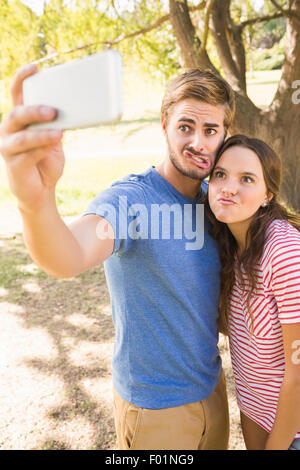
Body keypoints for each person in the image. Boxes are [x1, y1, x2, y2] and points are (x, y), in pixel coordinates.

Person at [0, 64, 235, 450]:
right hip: (157, 412)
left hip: (213, 390)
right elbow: (67, 255)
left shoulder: (217, 201)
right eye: (185, 126)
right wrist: (36, 202)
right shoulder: (132, 201)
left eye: (210, 131)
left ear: (225, 134)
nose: (198, 141)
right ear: (164, 125)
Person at [207, 134, 300, 450]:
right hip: (256, 414)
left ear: (267, 194)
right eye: (220, 174)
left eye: (246, 178)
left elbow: (298, 372)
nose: (228, 187)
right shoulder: (233, 244)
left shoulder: (285, 254)